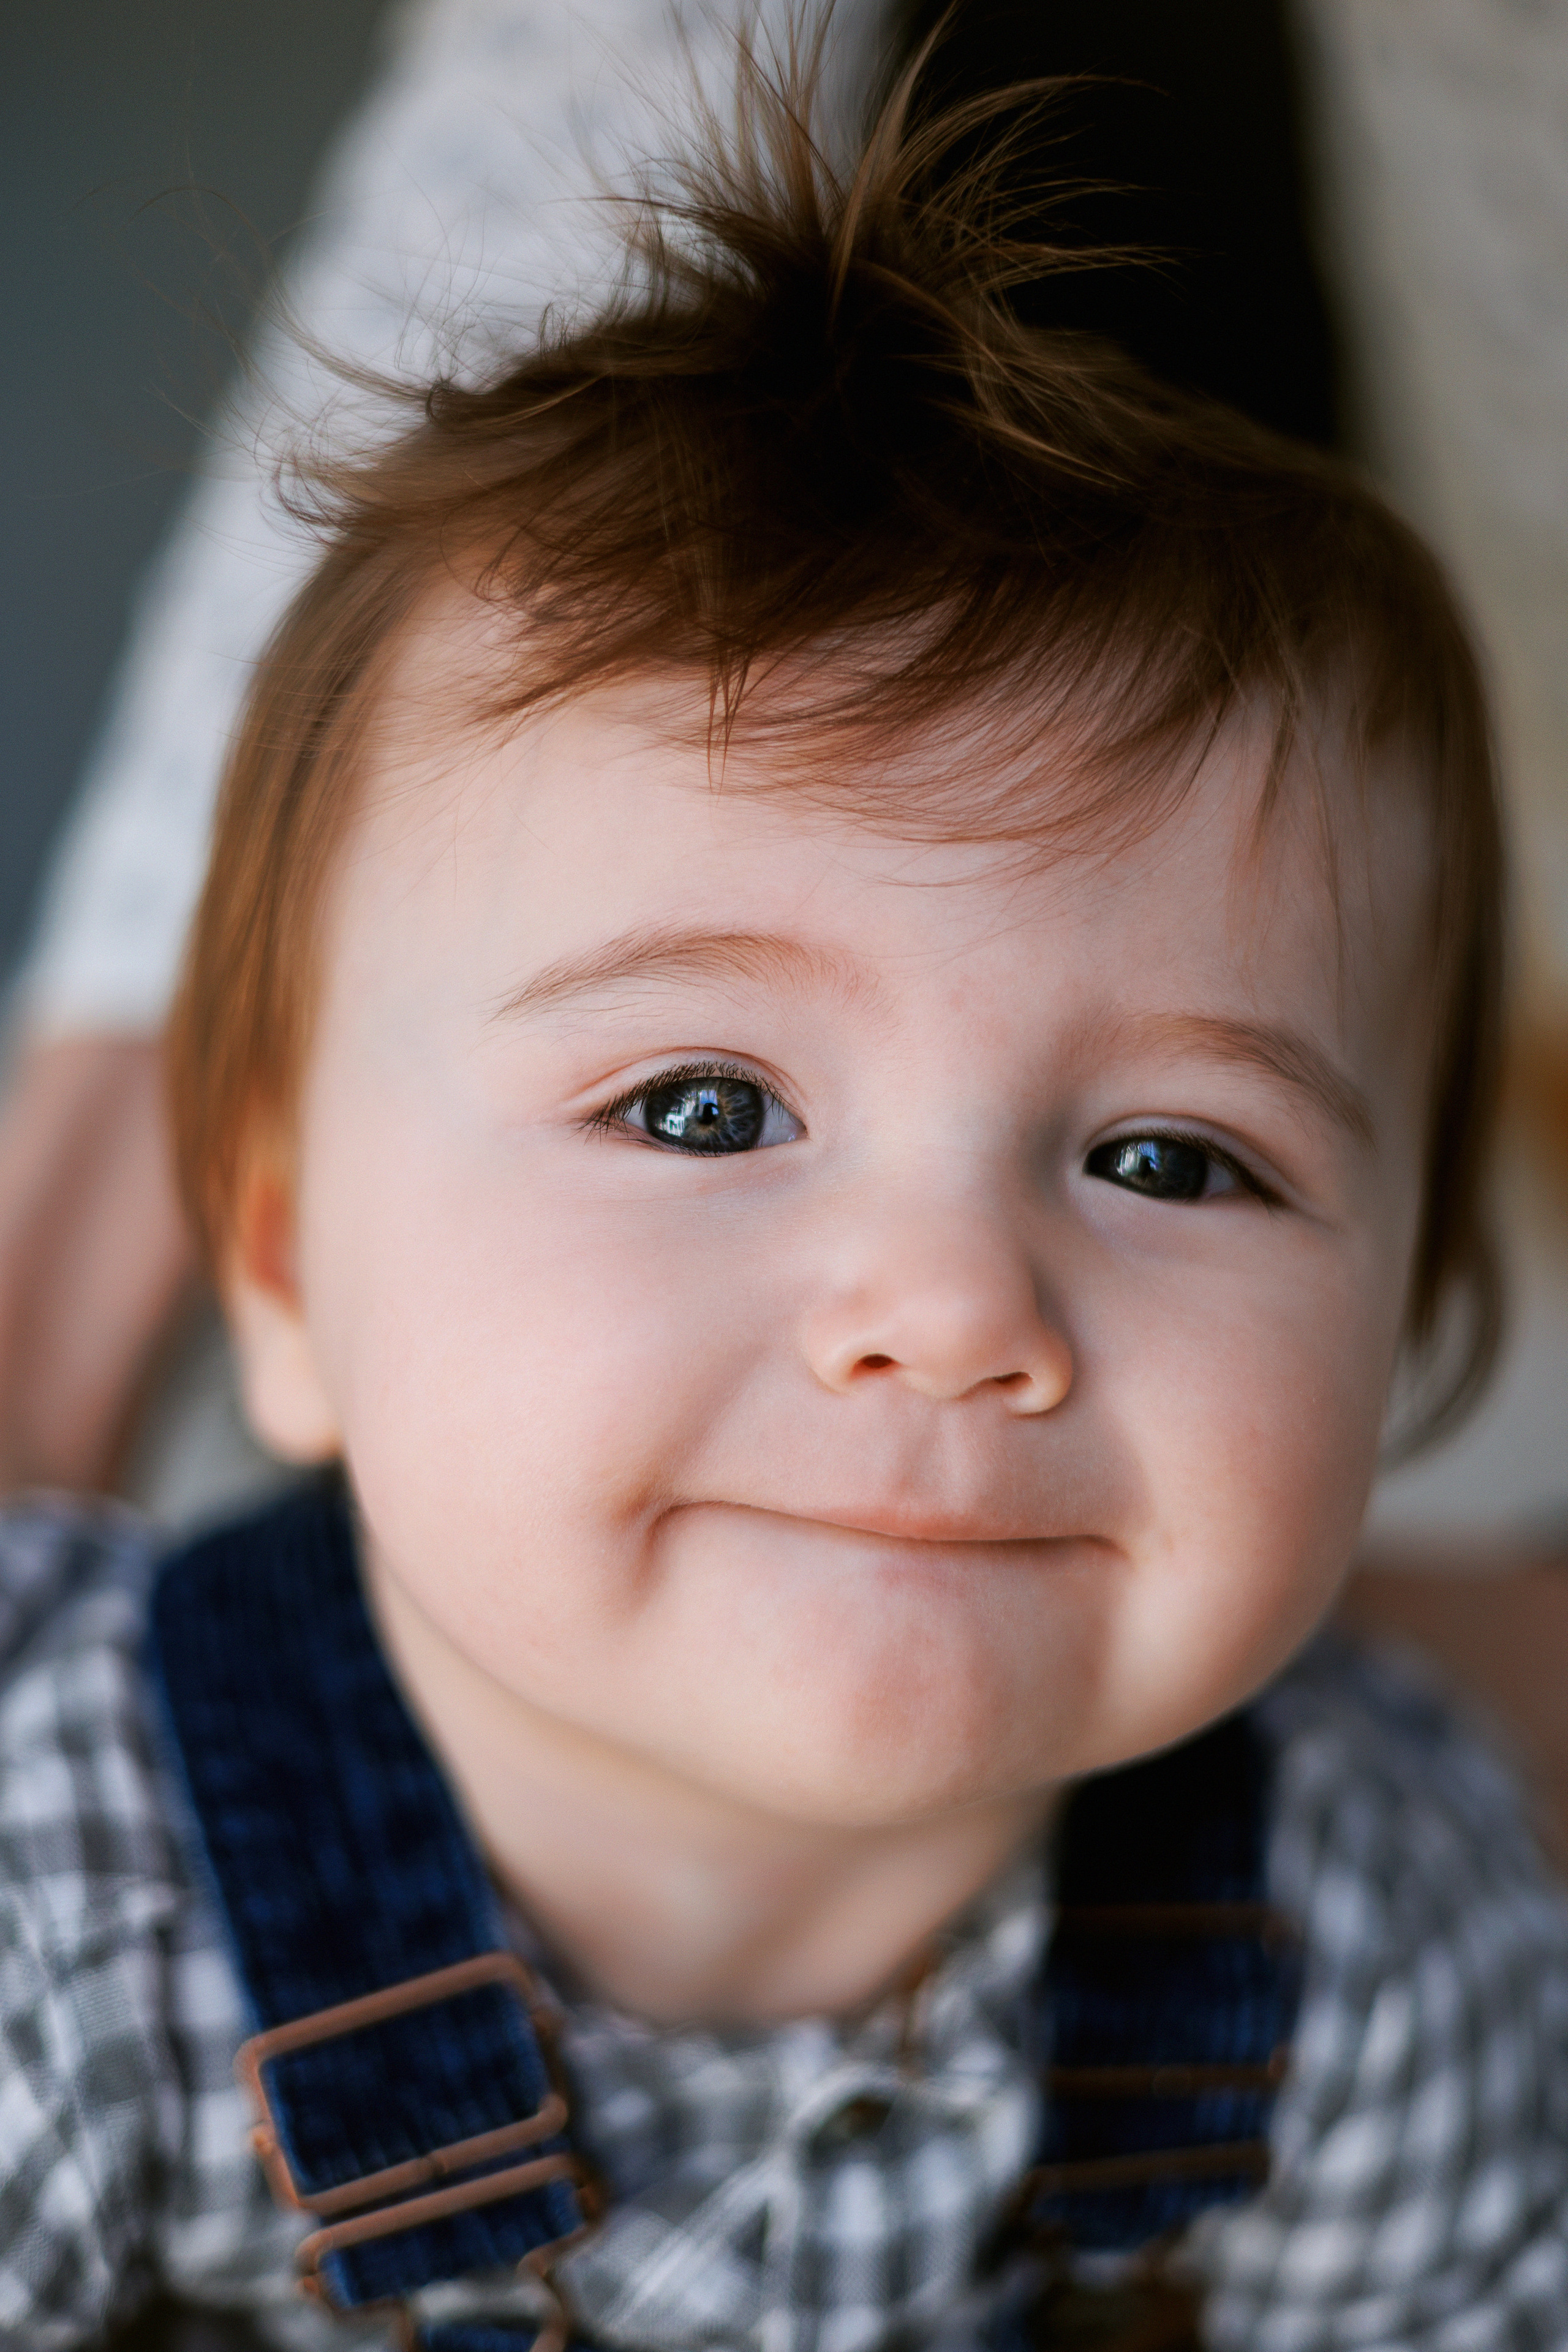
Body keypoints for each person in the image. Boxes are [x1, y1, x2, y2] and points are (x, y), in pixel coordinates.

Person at [5, 29, 1568, 2350]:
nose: (952, 1305)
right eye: (708, 1106)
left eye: (1171, 1156)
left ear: (1410, 1350)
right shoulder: (65, 1903)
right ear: (280, 1269)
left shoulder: (1356, 1913)